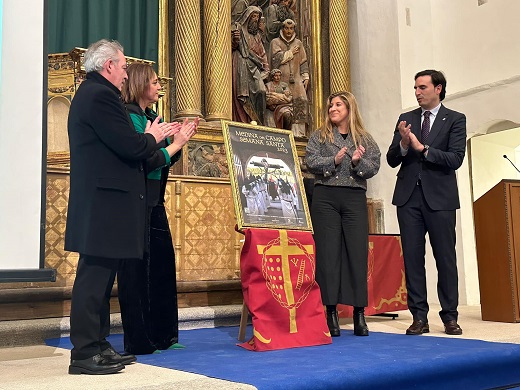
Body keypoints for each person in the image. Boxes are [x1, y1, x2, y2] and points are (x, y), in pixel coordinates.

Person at [65, 39, 177, 375]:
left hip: (106, 202)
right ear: (108, 65)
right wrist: (153, 136)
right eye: (124, 65)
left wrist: (151, 139)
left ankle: (98, 345)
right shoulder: (99, 96)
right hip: (104, 203)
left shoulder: (98, 95)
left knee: (101, 279)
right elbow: (129, 145)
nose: (127, 73)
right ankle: (84, 351)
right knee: (93, 278)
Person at [118, 63, 198, 354]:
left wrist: (179, 143)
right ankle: (141, 339)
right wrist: (174, 144)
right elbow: (145, 160)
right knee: (137, 272)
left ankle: (165, 335)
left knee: (162, 268)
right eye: (154, 82)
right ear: (140, 84)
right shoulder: (130, 115)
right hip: (136, 202)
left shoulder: (152, 117)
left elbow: (163, 160)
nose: (159, 86)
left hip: (155, 200)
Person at [386, 69, 466, 336]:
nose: (417, 92)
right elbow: (391, 158)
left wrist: (423, 149)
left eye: (422, 87)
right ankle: (419, 316)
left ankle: (450, 317)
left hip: (440, 199)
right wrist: (405, 145)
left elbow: (455, 159)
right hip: (409, 198)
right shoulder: (405, 119)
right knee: (412, 259)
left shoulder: (455, 119)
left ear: (438, 89)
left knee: (445, 258)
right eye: (415, 88)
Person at [305, 91, 380, 337]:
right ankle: (331, 313)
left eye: (338, 104)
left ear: (350, 108)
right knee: (328, 256)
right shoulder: (320, 136)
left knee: (356, 255)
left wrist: (357, 162)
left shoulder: (364, 138)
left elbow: (374, 167)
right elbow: (310, 162)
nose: (333, 109)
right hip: (325, 197)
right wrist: (334, 160)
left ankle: (359, 313)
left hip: (354, 197)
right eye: (330, 105)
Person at [270, 19, 309, 137]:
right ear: (282, 29)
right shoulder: (275, 42)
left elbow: (303, 61)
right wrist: (290, 52)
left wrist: (305, 75)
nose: (289, 31)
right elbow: (275, 61)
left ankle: (299, 134)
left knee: (301, 101)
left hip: (296, 80)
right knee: (283, 106)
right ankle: (282, 133)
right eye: (286, 28)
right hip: (281, 80)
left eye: (291, 28)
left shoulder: (298, 43)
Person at [232, 6, 270, 125]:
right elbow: (229, 47)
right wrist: (235, 41)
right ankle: (242, 119)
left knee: (261, 91)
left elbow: (262, 53)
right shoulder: (239, 30)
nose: (255, 19)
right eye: (253, 16)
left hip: (255, 67)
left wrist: (266, 67)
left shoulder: (257, 36)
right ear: (247, 17)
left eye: (257, 17)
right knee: (243, 94)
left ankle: (258, 122)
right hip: (241, 64)